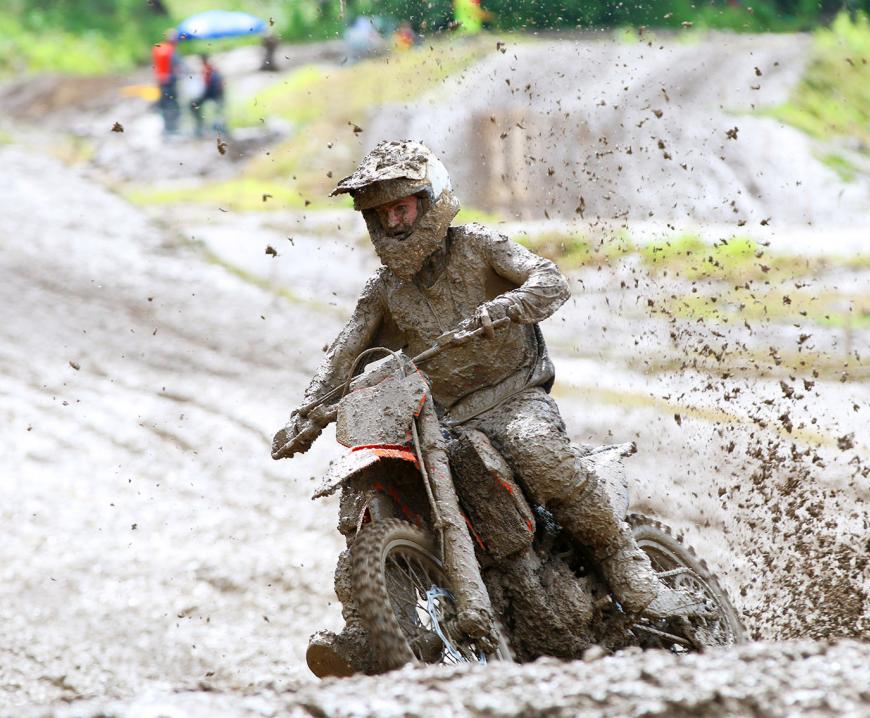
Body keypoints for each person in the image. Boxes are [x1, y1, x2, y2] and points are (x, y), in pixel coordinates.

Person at [272, 140, 691, 675]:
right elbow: (343, 354)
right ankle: (365, 627)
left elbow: (548, 279)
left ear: (432, 201)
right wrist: (305, 417)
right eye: (381, 214)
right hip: (440, 418)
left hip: (513, 397)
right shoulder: (383, 291)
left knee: (537, 451)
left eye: (402, 208)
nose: (394, 223)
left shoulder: (480, 247)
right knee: (370, 486)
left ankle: (626, 566)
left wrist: (511, 304)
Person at [151, 29, 182, 137]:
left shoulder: (158, 48)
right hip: (170, 83)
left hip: (161, 82)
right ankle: (172, 129)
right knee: (172, 105)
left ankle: (166, 129)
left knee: (164, 105)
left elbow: (155, 65)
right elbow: (179, 68)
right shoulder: (172, 51)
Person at [189, 54, 226, 138]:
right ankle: (201, 126)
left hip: (214, 94)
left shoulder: (209, 69)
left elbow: (212, 85)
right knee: (193, 105)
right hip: (212, 93)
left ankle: (203, 127)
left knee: (194, 105)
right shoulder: (209, 69)